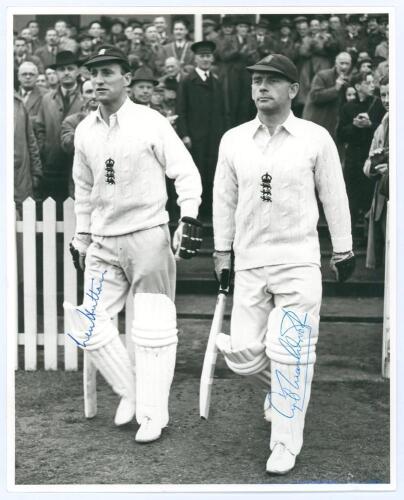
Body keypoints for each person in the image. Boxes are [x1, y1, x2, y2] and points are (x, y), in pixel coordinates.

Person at [212, 54, 354, 475]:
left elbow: (335, 195)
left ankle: (285, 442)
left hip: (298, 263)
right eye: (256, 80)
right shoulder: (233, 139)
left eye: (272, 80)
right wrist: (223, 251)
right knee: (241, 352)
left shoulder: (315, 138)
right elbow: (223, 200)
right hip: (251, 263)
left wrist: (343, 249)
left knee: (292, 354)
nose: (262, 87)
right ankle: (281, 390)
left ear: (293, 90)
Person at [64, 45, 202, 444]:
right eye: (95, 73)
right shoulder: (86, 130)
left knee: (153, 329)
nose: (100, 80)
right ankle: (132, 391)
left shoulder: (150, 121)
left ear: (127, 79)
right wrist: (82, 236)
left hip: (147, 236)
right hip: (104, 241)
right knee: (89, 322)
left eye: (108, 72)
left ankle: (153, 414)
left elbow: (186, 173)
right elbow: (85, 189)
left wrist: (188, 215)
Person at [176, 41, 228, 216]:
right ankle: (195, 210)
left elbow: (222, 111)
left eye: (208, 56)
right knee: (196, 171)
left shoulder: (216, 81)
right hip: (195, 137)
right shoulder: (187, 81)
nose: (205, 59)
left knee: (212, 171)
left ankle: (209, 210)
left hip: (214, 136)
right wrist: (184, 135)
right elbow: (181, 110)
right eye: (202, 56)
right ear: (195, 58)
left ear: (212, 58)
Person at [336, 71, 386, 228]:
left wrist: (370, 125)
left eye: (373, 82)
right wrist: (354, 126)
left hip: (372, 157)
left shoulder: (379, 103)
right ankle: (349, 235)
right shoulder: (348, 107)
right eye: (368, 82)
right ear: (358, 86)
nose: (372, 86)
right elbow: (340, 135)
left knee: (370, 196)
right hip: (353, 159)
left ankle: (368, 234)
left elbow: (386, 130)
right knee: (351, 197)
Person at [36, 51, 84, 204]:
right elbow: (39, 128)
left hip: (79, 164)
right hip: (52, 166)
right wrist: (45, 149)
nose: (66, 73)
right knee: (53, 212)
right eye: (62, 69)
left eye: (70, 68)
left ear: (77, 71)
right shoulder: (47, 99)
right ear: (56, 73)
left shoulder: (87, 97)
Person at [363, 76, 389, 269]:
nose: (387, 100)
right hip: (383, 196)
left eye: (391, 94)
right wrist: (374, 166)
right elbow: (368, 162)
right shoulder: (382, 126)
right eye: (383, 95)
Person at [60, 79, 99, 197]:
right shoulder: (72, 121)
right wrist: (89, 123)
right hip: (82, 180)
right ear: (82, 96)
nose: (93, 96)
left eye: (97, 91)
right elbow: (67, 147)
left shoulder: (115, 118)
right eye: (89, 92)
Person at [302, 51, 352, 141]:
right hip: (316, 122)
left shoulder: (348, 81)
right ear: (336, 63)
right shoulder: (322, 75)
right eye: (342, 63)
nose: (344, 67)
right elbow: (314, 96)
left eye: (347, 64)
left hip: (332, 126)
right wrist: (335, 88)